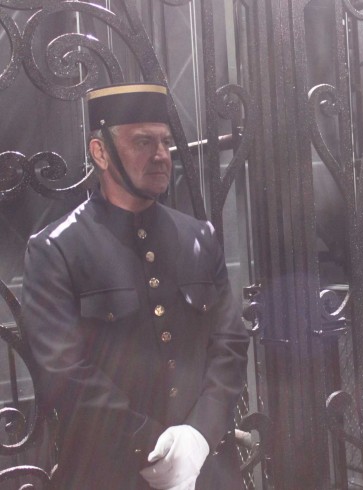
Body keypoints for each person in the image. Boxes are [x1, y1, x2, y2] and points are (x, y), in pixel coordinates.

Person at [21, 83, 250, 489]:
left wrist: (199, 436)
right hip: (110, 473)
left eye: (165, 142)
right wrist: (151, 446)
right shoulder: (57, 249)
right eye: (143, 142)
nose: (161, 155)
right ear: (100, 152)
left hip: (205, 469)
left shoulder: (199, 237)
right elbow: (63, 372)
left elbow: (229, 343)